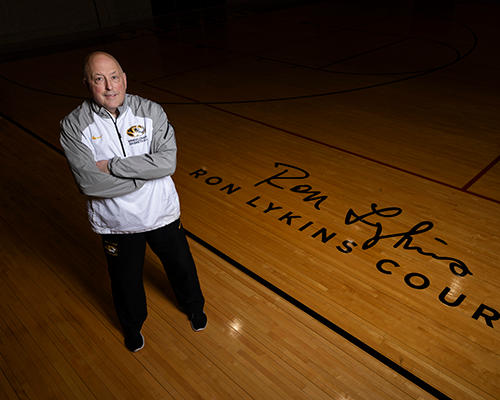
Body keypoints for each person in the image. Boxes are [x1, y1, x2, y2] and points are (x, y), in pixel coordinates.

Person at [60, 51, 206, 352]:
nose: (109, 86)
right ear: (87, 84)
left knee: (181, 266)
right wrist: (146, 173)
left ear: (124, 79)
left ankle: (194, 307)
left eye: (114, 77)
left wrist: (113, 166)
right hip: (116, 224)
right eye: (99, 79)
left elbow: (167, 163)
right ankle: (132, 326)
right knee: (125, 282)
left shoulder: (150, 111)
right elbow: (89, 182)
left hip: (161, 212)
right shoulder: (73, 125)